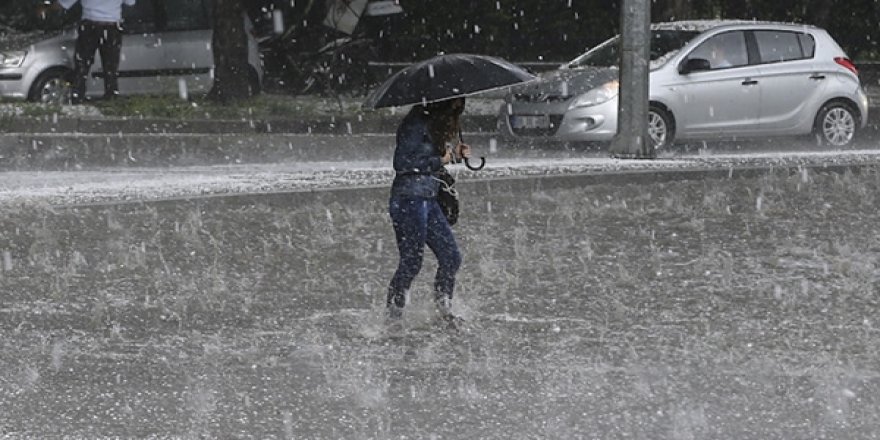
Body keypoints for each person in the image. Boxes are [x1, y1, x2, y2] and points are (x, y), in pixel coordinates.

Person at [386, 97, 471, 327]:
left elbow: (430, 159)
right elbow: (402, 162)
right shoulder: (415, 124)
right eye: (454, 107)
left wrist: (453, 155)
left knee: (451, 257)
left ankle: (444, 310)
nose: (457, 113)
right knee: (412, 262)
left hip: (428, 198)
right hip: (408, 200)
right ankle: (393, 317)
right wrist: (440, 159)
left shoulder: (433, 123)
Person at [40, 0, 136, 103]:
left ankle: (78, 96)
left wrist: (46, 7)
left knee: (82, 64)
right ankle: (111, 96)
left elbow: (64, 4)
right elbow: (131, 2)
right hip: (112, 27)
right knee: (110, 66)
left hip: (90, 26)